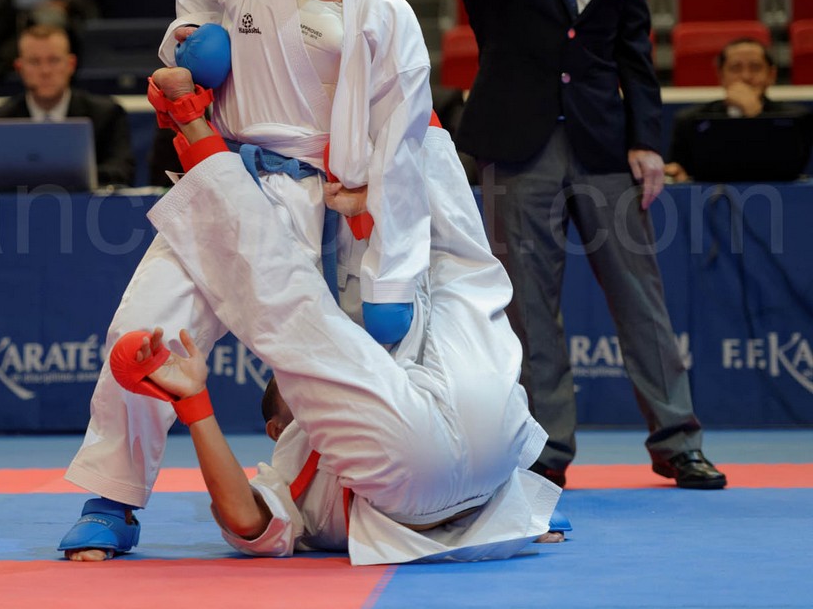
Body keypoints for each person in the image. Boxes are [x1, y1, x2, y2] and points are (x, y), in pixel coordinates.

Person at [58, 0, 436, 559]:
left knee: (330, 379)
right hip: (221, 175)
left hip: (312, 205)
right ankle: (112, 499)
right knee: (140, 330)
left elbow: (400, 155)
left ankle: (458, 496)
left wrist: (389, 277)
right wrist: (189, 35)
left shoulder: (385, 16)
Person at [69, 66, 561, 565]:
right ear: (277, 428)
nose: (285, 374)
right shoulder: (299, 465)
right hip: (479, 460)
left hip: (479, 456)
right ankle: (112, 496)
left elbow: (247, 522)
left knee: (437, 278)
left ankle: (406, 110)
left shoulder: (307, 459)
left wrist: (197, 404)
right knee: (453, 271)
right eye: (287, 383)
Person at [445, 0, 725, 490]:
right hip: (520, 142)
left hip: (603, 141)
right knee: (530, 307)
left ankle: (677, 438)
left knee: (642, 297)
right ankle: (546, 447)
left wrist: (647, 140)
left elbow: (634, 46)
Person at [0, 24, 134, 187]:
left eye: (54, 60)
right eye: (34, 62)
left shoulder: (106, 114)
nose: (45, 71)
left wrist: (67, 178)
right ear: (19, 68)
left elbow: (121, 170)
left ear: (71, 65)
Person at [667, 38, 813, 182]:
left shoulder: (796, 120)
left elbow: (792, 167)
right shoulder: (690, 121)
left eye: (755, 68)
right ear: (720, 74)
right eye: (735, 68)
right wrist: (677, 175)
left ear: (771, 74)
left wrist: (755, 114)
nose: (746, 77)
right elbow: (678, 171)